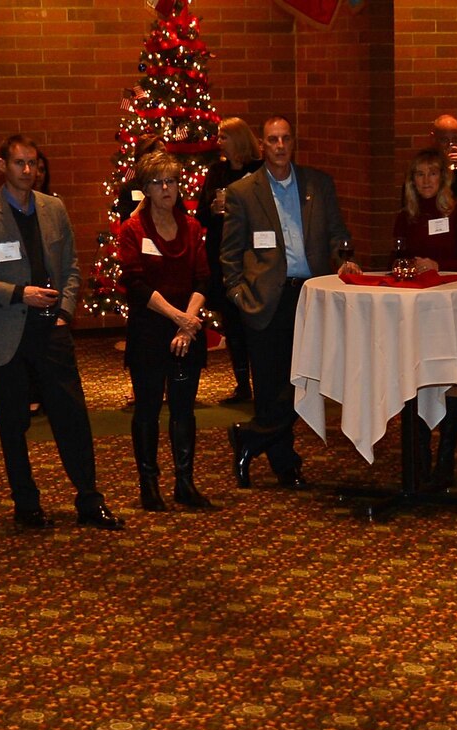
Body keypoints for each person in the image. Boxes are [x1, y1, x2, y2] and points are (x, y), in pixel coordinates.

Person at [0, 135, 122, 530]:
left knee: (72, 417)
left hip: (52, 329)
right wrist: (19, 293)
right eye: (19, 163)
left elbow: (71, 265)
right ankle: (26, 503)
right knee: (13, 423)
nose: (28, 171)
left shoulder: (54, 208)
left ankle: (89, 497)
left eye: (33, 163)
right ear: (2, 165)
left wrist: (65, 310)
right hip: (9, 331)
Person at [219, 116, 354, 490]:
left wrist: (344, 258)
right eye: (272, 140)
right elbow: (229, 253)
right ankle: (285, 464)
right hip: (264, 299)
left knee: (306, 379)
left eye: (286, 139)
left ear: (294, 143)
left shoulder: (318, 184)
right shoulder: (244, 192)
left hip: (311, 295)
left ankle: (250, 437)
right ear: (262, 146)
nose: (279, 146)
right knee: (269, 384)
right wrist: (237, 294)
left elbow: (337, 233)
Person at [117, 151, 216, 512]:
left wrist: (188, 325)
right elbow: (136, 284)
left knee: (183, 410)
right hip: (150, 329)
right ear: (145, 189)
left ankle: (184, 483)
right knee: (147, 410)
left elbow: (204, 278)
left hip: (185, 330)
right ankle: (149, 484)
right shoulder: (133, 230)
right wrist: (179, 319)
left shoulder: (191, 227)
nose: (166, 189)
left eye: (171, 181)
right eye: (158, 183)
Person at [391, 148, 457, 490]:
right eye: (420, 175)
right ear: (412, 181)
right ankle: (419, 457)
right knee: (416, 378)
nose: (427, 181)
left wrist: (437, 265)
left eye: (433, 174)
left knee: (449, 381)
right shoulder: (406, 217)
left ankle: (446, 461)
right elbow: (398, 260)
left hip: (453, 309)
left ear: (443, 178)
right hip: (417, 310)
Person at [197, 117, 262, 409]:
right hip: (222, 252)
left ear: (238, 139)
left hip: (251, 254)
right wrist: (212, 208)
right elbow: (200, 215)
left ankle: (262, 380)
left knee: (254, 322)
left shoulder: (258, 171)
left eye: (224, 136)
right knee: (232, 322)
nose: (218, 141)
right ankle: (241, 384)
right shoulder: (216, 172)